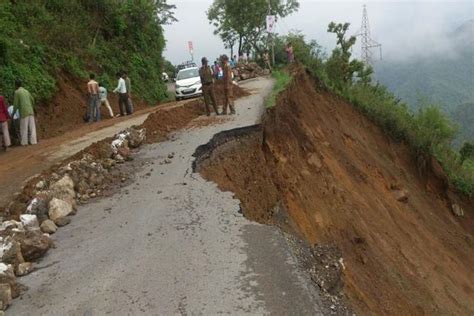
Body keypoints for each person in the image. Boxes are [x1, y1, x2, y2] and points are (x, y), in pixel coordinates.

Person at [13, 80, 37, 146]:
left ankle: (24, 142)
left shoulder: (17, 92)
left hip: (24, 112)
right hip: (30, 110)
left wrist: (13, 113)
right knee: (32, 127)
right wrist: (31, 107)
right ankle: (33, 141)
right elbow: (32, 100)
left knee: (24, 127)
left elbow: (15, 104)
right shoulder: (26, 91)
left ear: (16, 85)